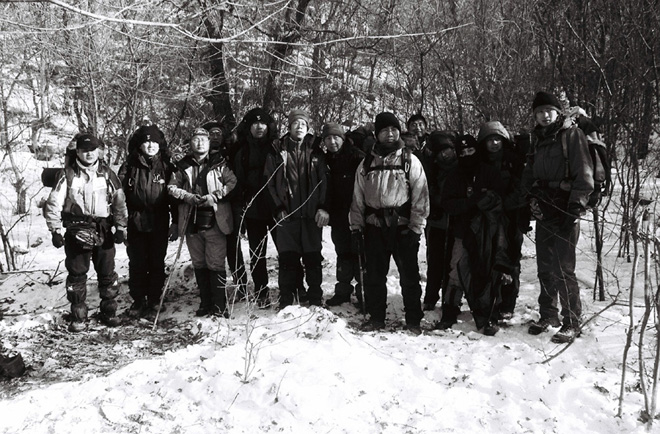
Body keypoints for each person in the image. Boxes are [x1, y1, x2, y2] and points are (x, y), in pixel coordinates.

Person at [521, 91, 594, 343]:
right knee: (545, 266)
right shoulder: (537, 139)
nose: (544, 116)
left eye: (548, 111)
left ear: (558, 112)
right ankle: (548, 315)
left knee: (564, 268)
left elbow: (584, 173)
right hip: (545, 208)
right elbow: (530, 173)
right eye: (539, 112)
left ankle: (572, 321)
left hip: (566, 208)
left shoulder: (571, 135)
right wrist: (527, 200)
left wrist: (575, 207)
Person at [349, 112, 429, 334]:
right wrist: (356, 228)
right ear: (377, 134)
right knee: (374, 276)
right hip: (374, 226)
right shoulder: (367, 162)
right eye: (384, 130)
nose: (390, 134)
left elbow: (421, 196)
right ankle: (376, 317)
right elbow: (357, 198)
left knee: (409, 277)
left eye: (394, 129)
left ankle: (413, 319)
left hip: (403, 227)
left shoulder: (409, 160)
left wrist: (416, 228)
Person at [44, 133, 128, 332]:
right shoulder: (67, 174)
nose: (89, 154)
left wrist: (121, 227)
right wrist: (55, 230)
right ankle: (79, 317)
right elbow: (54, 202)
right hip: (76, 230)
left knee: (107, 273)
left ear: (98, 151)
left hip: (103, 228)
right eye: (84, 150)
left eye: (92, 150)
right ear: (78, 152)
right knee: (77, 275)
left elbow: (119, 201)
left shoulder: (107, 174)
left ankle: (109, 312)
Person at [439, 134, 509, 336]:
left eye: (470, 150)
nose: (467, 155)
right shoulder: (455, 175)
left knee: (486, 271)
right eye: (463, 152)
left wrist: (485, 203)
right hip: (462, 230)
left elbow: (500, 199)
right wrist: (470, 203)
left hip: (487, 232)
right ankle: (450, 310)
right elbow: (447, 203)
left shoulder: (489, 172)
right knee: (456, 269)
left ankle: (487, 312)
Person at [168, 128, 237, 318]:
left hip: (216, 220)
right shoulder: (182, 166)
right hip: (191, 220)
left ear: (209, 142)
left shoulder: (219, 163)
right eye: (196, 139)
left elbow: (232, 183)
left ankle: (220, 305)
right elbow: (171, 187)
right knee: (199, 263)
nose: (200, 143)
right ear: (190, 143)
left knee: (216, 263)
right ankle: (205, 303)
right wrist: (187, 196)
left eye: (203, 140)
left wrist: (214, 196)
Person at [264, 109, 329, 309]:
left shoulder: (316, 151)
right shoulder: (277, 151)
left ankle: (315, 298)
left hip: (311, 216)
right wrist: (278, 208)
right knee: (287, 259)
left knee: (313, 258)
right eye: (295, 123)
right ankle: (286, 299)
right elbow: (269, 183)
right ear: (289, 126)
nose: (299, 127)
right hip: (287, 216)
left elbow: (325, 182)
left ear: (308, 128)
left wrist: (322, 207)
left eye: (303, 124)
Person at [119, 125, 178, 320]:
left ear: (160, 144)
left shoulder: (167, 167)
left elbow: (174, 197)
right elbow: (118, 196)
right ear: (140, 145)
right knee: (137, 262)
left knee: (156, 261)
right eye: (146, 141)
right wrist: (120, 224)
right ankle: (138, 300)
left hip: (159, 219)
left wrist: (176, 222)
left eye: (154, 141)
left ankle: (154, 299)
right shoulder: (129, 166)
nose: (151, 145)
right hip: (135, 220)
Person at [476, 121, 526, 320]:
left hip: (511, 216)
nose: (494, 143)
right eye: (490, 140)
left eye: (498, 139)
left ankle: (508, 302)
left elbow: (522, 187)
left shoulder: (513, 161)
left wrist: (505, 204)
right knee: (487, 258)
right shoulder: (479, 162)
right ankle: (489, 301)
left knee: (511, 259)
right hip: (487, 218)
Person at [233, 108, 279, 307]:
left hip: (276, 207)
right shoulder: (243, 151)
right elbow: (238, 182)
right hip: (253, 209)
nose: (259, 127)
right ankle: (261, 291)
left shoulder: (276, 147)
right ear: (248, 127)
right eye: (255, 124)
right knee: (257, 253)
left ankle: (291, 288)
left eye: (263, 123)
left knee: (286, 250)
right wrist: (242, 209)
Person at [322, 122, 366, 307]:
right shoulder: (326, 159)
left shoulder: (357, 156)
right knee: (342, 252)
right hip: (338, 214)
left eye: (336, 138)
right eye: (328, 138)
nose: (332, 142)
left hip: (357, 212)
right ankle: (343, 290)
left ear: (343, 138)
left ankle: (363, 292)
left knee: (360, 253)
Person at [203, 121, 248, 300]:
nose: (215, 137)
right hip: (206, 208)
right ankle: (212, 289)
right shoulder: (201, 155)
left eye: (218, 134)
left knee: (233, 248)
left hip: (230, 205)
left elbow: (237, 181)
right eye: (211, 134)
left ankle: (241, 286)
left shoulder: (231, 153)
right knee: (210, 248)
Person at [420, 131, 458, 311]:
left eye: (447, 150)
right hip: (436, 221)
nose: (445, 155)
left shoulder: (461, 167)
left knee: (453, 261)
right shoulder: (431, 168)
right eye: (440, 151)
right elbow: (425, 190)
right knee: (435, 261)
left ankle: (450, 299)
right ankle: (431, 296)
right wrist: (434, 205)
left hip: (456, 220)